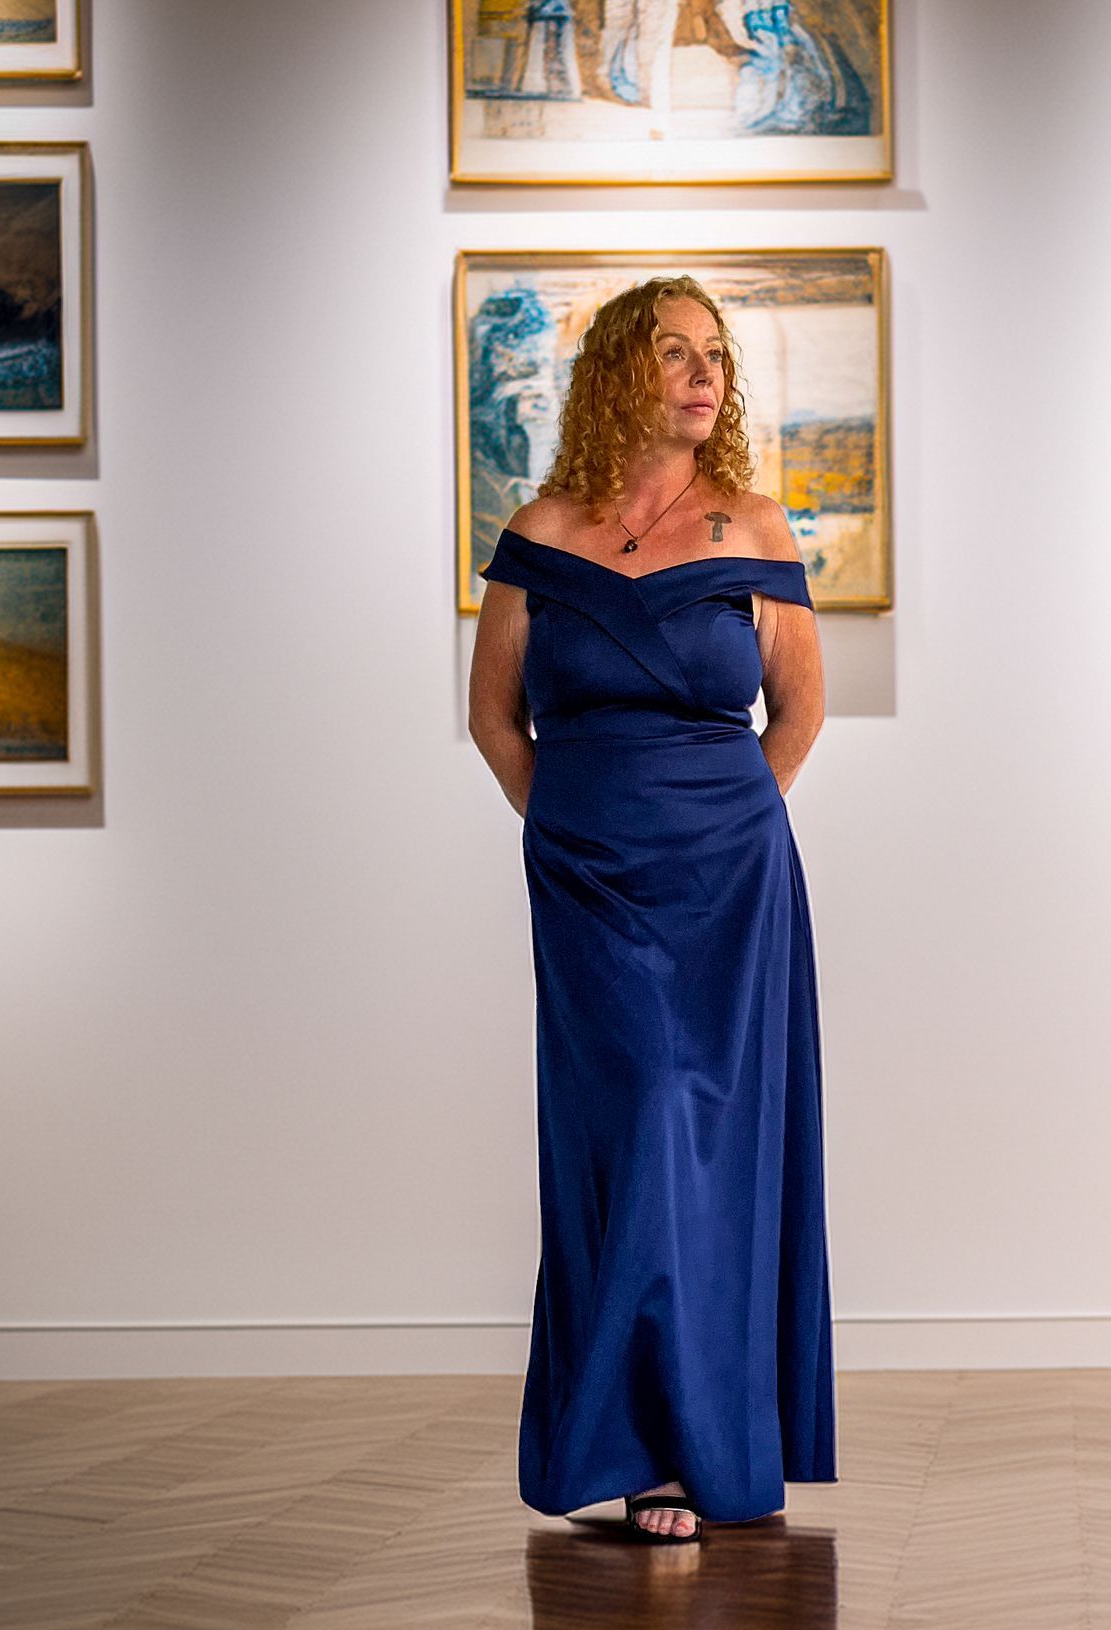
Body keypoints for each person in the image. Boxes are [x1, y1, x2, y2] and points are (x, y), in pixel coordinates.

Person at [468, 275, 837, 1543]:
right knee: (626, 1137)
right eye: (676, 352)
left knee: (707, 1137)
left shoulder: (756, 530)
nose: (704, 374)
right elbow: (492, 717)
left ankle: (689, 1445)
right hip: (586, 881)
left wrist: (734, 828)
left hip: (730, 887)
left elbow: (797, 713)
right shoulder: (540, 533)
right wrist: (568, 827)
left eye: (718, 356)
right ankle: (629, 1435)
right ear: (621, 371)